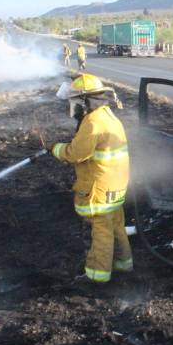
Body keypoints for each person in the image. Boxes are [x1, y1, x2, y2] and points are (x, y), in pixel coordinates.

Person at [51, 74, 131, 283]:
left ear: (85, 101)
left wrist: (56, 149)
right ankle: (124, 265)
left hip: (99, 187)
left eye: (75, 101)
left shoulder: (93, 122)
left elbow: (77, 153)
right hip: (115, 184)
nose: (73, 107)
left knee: (101, 232)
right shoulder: (107, 115)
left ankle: (96, 277)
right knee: (116, 227)